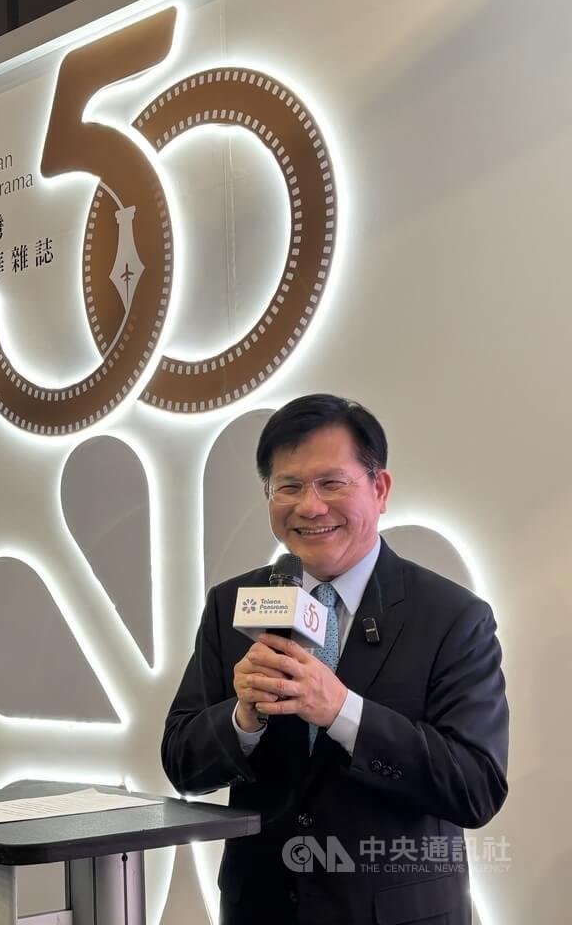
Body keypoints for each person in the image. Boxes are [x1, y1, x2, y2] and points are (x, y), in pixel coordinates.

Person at [162, 394, 509, 925]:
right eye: (289, 487)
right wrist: (243, 718)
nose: (310, 506)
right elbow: (182, 764)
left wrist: (343, 711)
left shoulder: (452, 616)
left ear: (380, 489)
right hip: (262, 909)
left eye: (331, 483)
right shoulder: (233, 604)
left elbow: (476, 786)